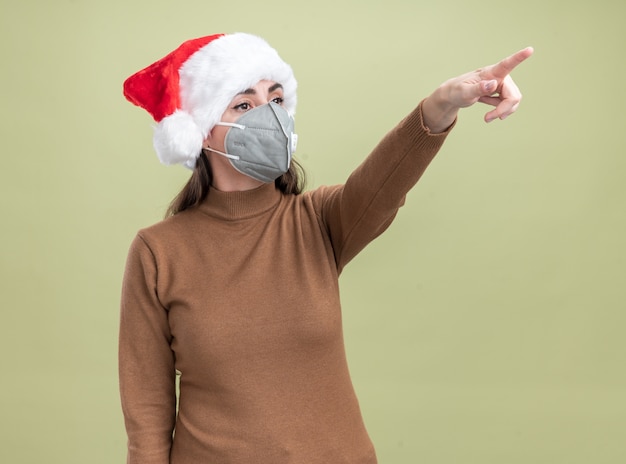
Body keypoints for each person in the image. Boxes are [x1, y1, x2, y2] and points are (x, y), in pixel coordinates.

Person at [119, 32, 533, 463]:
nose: (269, 116)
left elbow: (383, 182)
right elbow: (147, 412)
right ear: (200, 131)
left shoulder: (317, 222)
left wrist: (443, 102)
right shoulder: (157, 252)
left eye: (276, 100)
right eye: (244, 104)